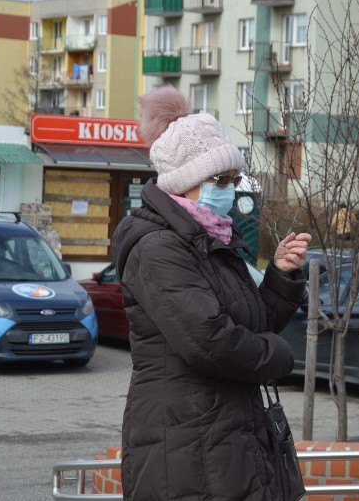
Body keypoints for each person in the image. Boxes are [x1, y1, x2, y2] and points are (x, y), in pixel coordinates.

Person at [112, 85, 311, 500]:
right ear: (184, 182)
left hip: (226, 434)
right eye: (218, 179)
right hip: (188, 443)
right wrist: (279, 356)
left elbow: (252, 322)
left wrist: (281, 276)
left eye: (233, 178)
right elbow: (210, 340)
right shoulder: (157, 247)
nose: (229, 187)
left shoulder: (212, 237)